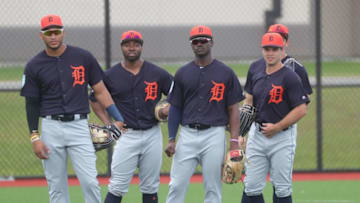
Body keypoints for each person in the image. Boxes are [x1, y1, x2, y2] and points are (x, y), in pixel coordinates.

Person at [20, 15, 125, 203]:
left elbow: (100, 90)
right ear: (41, 36)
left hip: (79, 126)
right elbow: (31, 104)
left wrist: (118, 117)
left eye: (56, 32)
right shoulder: (34, 65)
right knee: (56, 187)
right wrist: (34, 136)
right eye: (48, 33)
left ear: (63, 32)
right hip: (51, 126)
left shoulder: (83, 57)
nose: (53, 36)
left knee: (90, 183)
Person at [89, 30, 173, 203]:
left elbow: (177, 92)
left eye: (136, 44)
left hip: (152, 133)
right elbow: (95, 99)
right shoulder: (111, 75)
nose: (132, 48)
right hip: (127, 135)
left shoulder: (156, 73)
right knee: (117, 186)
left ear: (141, 47)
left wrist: (169, 107)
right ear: (122, 47)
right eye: (127, 44)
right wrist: (108, 124)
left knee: (151, 187)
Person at [164, 25, 245, 203]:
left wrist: (234, 141)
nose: (199, 44)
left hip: (214, 135)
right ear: (191, 45)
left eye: (203, 41)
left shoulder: (226, 73)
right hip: (187, 135)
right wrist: (171, 139)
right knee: (176, 185)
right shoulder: (183, 72)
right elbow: (175, 108)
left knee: (212, 187)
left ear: (212, 43)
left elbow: (233, 109)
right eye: (195, 41)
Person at [240, 32, 309, 203]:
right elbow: (249, 103)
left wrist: (277, 127)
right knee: (251, 186)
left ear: (282, 50)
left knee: (282, 188)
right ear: (262, 50)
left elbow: (301, 109)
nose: (270, 52)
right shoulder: (256, 72)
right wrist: (241, 133)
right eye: (267, 48)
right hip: (257, 135)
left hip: (282, 137)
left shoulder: (290, 76)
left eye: (274, 49)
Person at [267, 23, 313, 203]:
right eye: (272, 36)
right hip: (261, 129)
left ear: (286, 42)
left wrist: (281, 124)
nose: (276, 39)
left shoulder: (296, 68)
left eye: (280, 37)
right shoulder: (260, 66)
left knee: (280, 182)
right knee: (254, 183)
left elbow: (302, 103)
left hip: (284, 130)